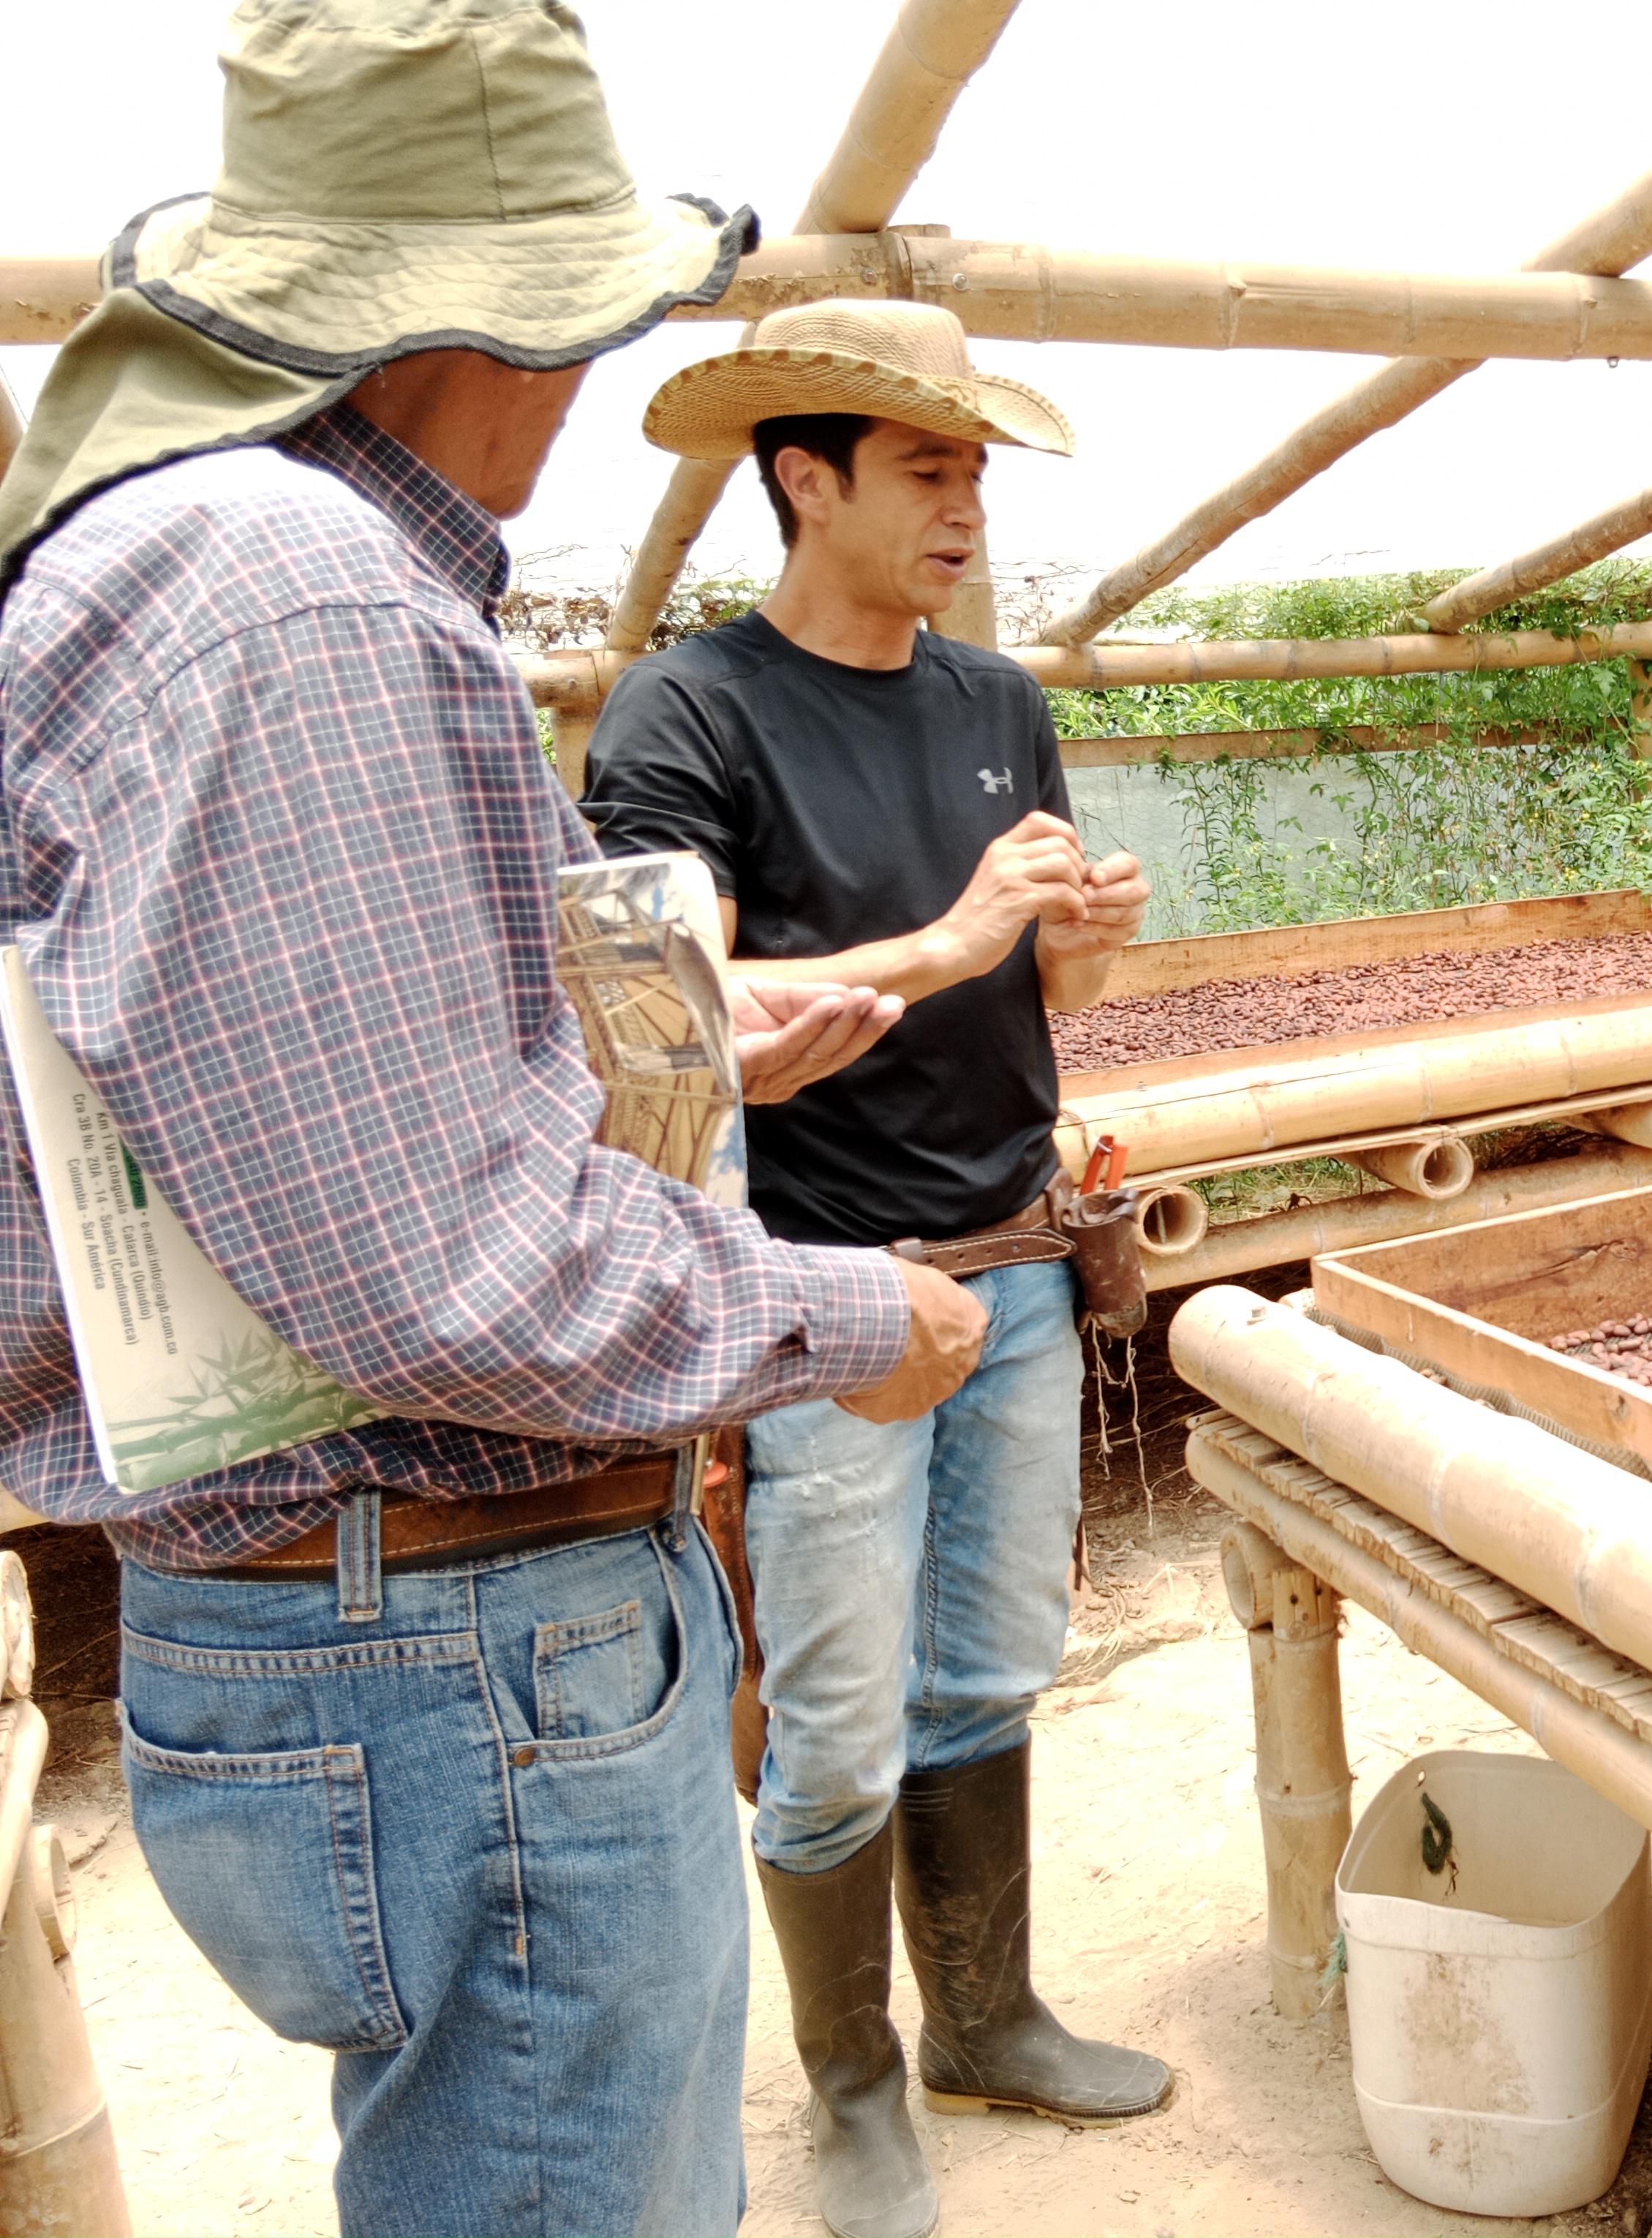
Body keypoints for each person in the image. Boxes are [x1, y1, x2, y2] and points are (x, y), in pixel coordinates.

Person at [0, 7, 992, 2234]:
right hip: (459, 1650)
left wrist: (699, 1046)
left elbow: (298, 1087)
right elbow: (434, 1260)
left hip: (333, 1620)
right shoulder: (302, 594)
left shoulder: (197, 558)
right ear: (506, 317)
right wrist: (850, 1315)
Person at [580, 299, 1166, 2238]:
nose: (964, 511)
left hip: (1009, 1254)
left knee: (990, 1661)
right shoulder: (692, 711)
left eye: (977, 475)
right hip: (832, 1287)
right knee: (832, 1709)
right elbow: (667, 1012)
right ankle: (851, 2083)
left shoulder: (997, 700)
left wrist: (1073, 937)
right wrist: (945, 933)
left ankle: (986, 2014)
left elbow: (1042, 987)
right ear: (801, 476)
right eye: (928, 471)